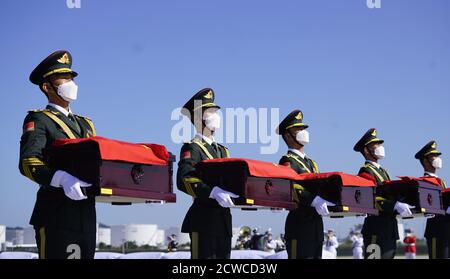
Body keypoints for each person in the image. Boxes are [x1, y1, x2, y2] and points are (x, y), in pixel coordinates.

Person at [19, 50, 97, 259]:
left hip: (85, 215)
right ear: (47, 87)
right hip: (55, 214)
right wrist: (61, 178)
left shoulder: (86, 124)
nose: (70, 82)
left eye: (71, 77)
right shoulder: (39, 119)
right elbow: (28, 162)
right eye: (64, 78)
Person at [177, 88, 238, 259]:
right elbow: (184, 179)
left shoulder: (223, 151)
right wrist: (212, 192)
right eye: (210, 111)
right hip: (203, 221)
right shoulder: (192, 148)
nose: (216, 115)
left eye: (215, 111)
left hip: (224, 222)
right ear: (198, 117)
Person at [277, 110, 335, 259]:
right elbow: (290, 186)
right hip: (299, 226)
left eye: (303, 129)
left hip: (315, 227)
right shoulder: (287, 161)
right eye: (298, 130)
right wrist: (314, 200)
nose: (304, 132)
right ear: (287, 136)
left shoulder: (312, 163)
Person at [354, 128, 414, 259]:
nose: (380, 147)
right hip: (376, 228)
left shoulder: (383, 172)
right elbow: (370, 199)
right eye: (375, 145)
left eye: (379, 144)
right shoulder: (365, 172)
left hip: (388, 227)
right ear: (366, 150)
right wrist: (394, 205)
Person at [415, 141, 449, 259]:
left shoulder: (441, 181)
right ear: (425, 161)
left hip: (446, 229)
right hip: (436, 230)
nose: (437, 159)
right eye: (433, 157)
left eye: (437, 156)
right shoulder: (423, 181)